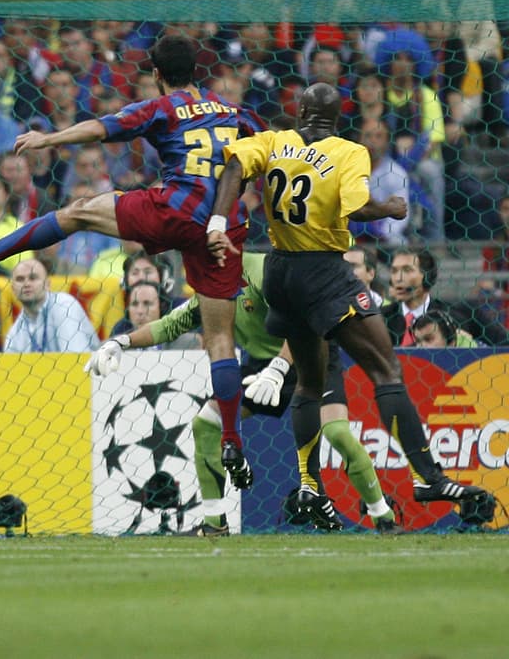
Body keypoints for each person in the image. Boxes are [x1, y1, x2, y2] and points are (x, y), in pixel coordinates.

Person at [0, 34, 260, 489]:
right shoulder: (234, 112)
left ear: (157, 76)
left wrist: (48, 138)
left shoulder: (164, 106)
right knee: (219, 338)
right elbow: (268, 154)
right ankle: (232, 438)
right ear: (198, 71)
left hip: (173, 208)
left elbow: (100, 128)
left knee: (77, 212)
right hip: (223, 228)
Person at [208, 82, 488, 509]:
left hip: (279, 268)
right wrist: (391, 208)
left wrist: (215, 221)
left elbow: (232, 168)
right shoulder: (347, 150)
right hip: (323, 270)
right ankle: (427, 477)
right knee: (386, 369)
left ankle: (308, 485)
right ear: (339, 118)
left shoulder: (272, 141)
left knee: (309, 382)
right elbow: (356, 207)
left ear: (300, 113)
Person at [93, 250, 401, 534]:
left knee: (337, 433)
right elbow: (171, 325)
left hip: (310, 358)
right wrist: (121, 343)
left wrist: (279, 369)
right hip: (260, 370)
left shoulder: (265, 272)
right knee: (205, 423)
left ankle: (382, 515)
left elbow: (301, 322)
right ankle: (214, 521)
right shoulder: (212, 289)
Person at [2, 258, 99, 354]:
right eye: (20, 279)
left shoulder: (64, 305)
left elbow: (75, 360)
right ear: (13, 289)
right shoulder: (14, 333)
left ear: (47, 284)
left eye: (33, 278)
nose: (26, 284)